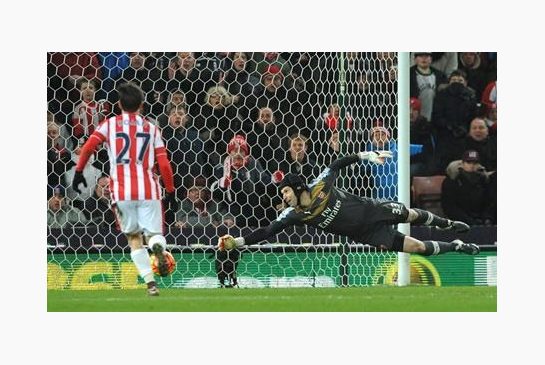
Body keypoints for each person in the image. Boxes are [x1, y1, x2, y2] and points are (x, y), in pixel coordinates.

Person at [217, 151, 480, 258]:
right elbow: (266, 232)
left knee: (409, 214)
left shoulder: (320, 184)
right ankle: (456, 246)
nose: (283, 197)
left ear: (298, 188)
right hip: (365, 233)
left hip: (371, 209)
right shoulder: (293, 214)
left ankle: (448, 224)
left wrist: (366, 155)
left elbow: (336, 164)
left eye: (285, 191)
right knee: (417, 247)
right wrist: (237, 242)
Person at [71, 82, 178, 296]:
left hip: (121, 191)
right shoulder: (151, 128)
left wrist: (79, 171)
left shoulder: (109, 124)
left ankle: (150, 285)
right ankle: (157, 246)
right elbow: (164, 164)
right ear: (142, 105)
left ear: (119, 104)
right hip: (149, 189)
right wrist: (171, 190)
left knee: (133, 238)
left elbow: (89, 146)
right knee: (154, 234)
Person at [441, 150, 495, 226]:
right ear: (462, 164)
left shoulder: (484, 181)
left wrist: (487, 218)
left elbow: (489, 202)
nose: (472, 165)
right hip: (460, 222)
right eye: (468, 162)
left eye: (475, 163)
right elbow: (449, 207)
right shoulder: (451, 181)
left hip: (481, 221)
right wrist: (469, 221)